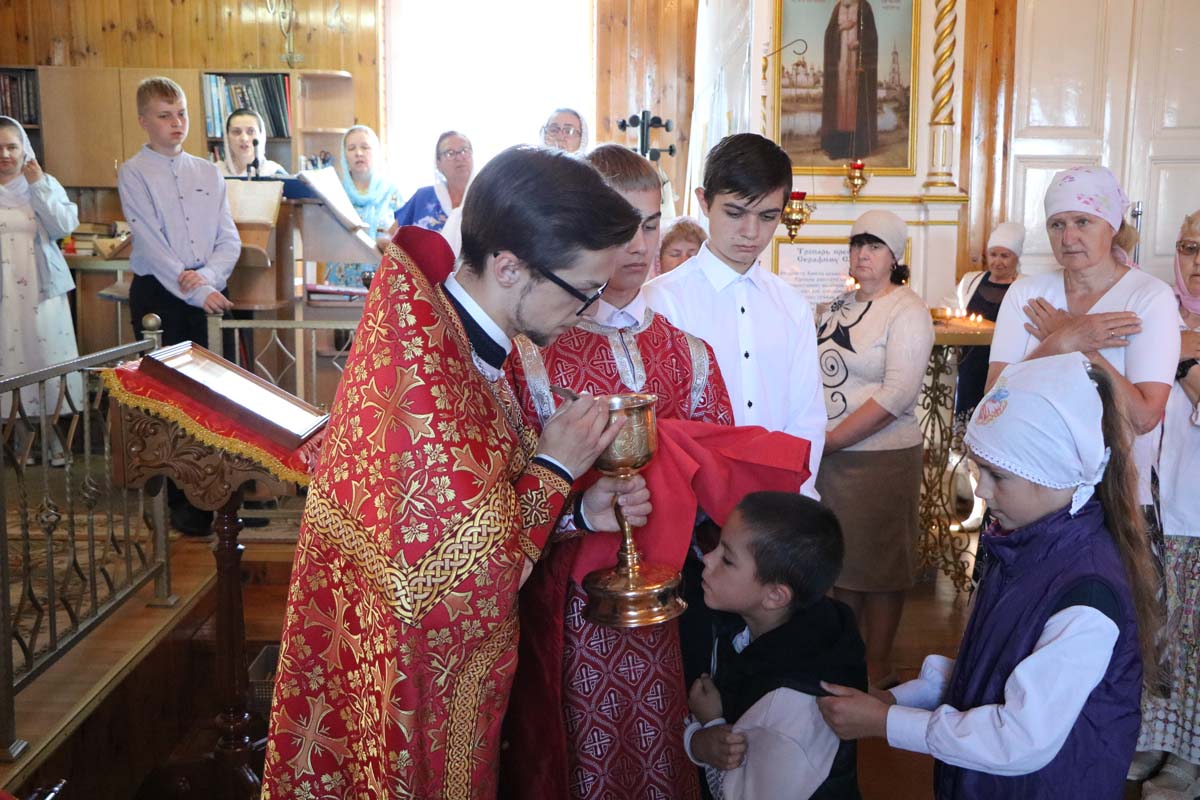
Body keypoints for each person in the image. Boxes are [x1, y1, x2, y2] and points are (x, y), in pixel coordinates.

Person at [262, 146, 652, 799]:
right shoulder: (429, 384)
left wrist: (581, 512)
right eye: (582, 290)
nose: (587, 310)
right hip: (410, 691)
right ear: (509, 267)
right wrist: (557, 466)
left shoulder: (455, 338)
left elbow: (485, 514)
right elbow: (471, 587)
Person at [818, 353, 1164, 799]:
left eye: (997, 475)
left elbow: (1018, 738)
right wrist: (898, 699)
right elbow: (991, 665)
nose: (980, 489)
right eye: (977, 469)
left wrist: (886, 723)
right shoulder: (1022, 547)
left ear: (1057, 473)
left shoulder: (1088, 592)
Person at [502, 145, 733, 800]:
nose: (638, 245)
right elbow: (502, 499)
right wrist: (578, 509)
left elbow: (716, 489)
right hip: (568, 611)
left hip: (669, 609)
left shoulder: (690, 354)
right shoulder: (533, 356)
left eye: (651, 225)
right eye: (620, 225)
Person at [987, 167, 1178, 552]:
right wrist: (1063, 340)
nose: (1068, 237)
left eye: (1082, 222)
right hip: (1028, 493)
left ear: (1112, 225)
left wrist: (1084, 348)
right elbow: (993, 402)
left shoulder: (1148, 297)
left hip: (1117, 496)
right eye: (1057, 224)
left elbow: (1143, 417)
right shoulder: (1027, 294)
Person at [642, 133, 826, 498]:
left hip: (775, 503)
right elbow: (658, 426)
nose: (751, 232)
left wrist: (793, 504)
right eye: (735, 213)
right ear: (704, 201)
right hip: (689, 503)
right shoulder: (660, 301)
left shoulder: (791, 306)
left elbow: (807, 419)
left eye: (768, 216)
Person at [815, 210, 933, 689]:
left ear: (895, 256)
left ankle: (877, 667)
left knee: (879, 568)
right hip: (830, 458)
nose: (863, 254)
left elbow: (897, 394)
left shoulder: (907, 309)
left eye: (875, 245)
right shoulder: (834, 307)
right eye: (857, 244)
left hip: (881, 458)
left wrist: (830, 441)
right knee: (841, 566)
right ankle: (845, 658)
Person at [117, 77, 240, 536]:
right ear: (144, 121)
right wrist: (194, 290)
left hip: (205, 289)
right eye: (165, 115)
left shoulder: (208, 172)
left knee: (215, 399)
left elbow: (229, 238)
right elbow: (150, 242)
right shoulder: (134, 172)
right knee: (171, 401)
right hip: (159, 295)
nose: (176, 123)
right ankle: (180, 501)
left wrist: (207, 279)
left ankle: (219, 495)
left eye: (182, 113)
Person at [684, 491, 867, 799]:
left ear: (775, 596)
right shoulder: (748, 621)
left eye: (727, 559)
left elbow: (741, 791)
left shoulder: (790, 710)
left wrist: (707, 728)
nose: (708, 558)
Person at [1132, 211, 1200, 800]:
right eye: (1189, 247)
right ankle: (1157, 737)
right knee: (1157, 632)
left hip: (1196, 508)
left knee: (1195, 639)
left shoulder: (1172, 336)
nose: (1197, 261)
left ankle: (1190, 759)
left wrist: (1184, 362)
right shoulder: (1158, 313)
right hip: (1150, 503)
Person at [0, 116, 81, 467]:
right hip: (4, 294)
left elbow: (64, 226)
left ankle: (51, 436)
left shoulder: (42, 183)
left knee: (44, 357)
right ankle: (19, 437)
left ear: (25, 150)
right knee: (8, 360)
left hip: (39, 289)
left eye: (12, 147)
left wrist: (39, 186)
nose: (5, 154)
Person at [954, 221, 1025, 418]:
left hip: (1004, 364)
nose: (998, 261)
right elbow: (953, 313)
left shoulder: (1024, 286)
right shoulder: (970, 281)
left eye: (1005, 256)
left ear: (1016, 257)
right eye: (993, 255)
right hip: (971, 360)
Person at [325, 124, 401, 287]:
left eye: (365, 147)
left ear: (376, 152)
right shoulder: (335, 193)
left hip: (384, 280)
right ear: (344, 155)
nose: (358, 153)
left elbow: (404, 236)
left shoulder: (392, 193)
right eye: (351, 148)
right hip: (342, 281)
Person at [820, 0, 878, 160]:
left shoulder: (864, 7)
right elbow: (829, 35)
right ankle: (837, 147)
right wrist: (841, 28)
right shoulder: (837, 8)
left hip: (856, 68)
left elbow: (872, 37)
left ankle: (857, 147)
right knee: (839, 106)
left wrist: (860, 43)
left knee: (855, 105)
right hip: (840, 68)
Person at [393, 131, 472, 232]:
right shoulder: (422, 197)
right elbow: (389, 236)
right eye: (450, 153)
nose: (459, 157)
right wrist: (391, 244)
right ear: (438, 163)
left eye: (464, 150)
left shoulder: (485, 198)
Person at [216, 107, 288, 178]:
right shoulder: (214, 173)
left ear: (261, 136)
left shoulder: (275, 173)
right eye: (236, 131)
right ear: (227, 137)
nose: (244, 138)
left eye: (251, 131)